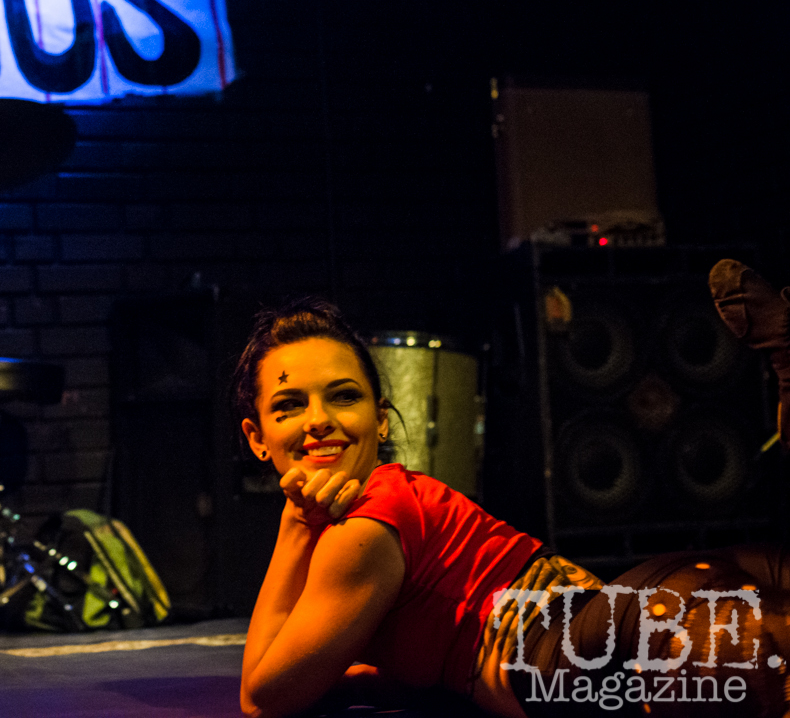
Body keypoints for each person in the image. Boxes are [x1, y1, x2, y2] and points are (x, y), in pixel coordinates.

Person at [234, 297, 788, 718]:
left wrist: (294, 524)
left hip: (629, 643)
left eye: (343, 396)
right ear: (257, 437)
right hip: (646, 617)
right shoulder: (400, 494)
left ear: (380, 420)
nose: (319, 420)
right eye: (289, 405)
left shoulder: (362, 532)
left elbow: (262, 699)